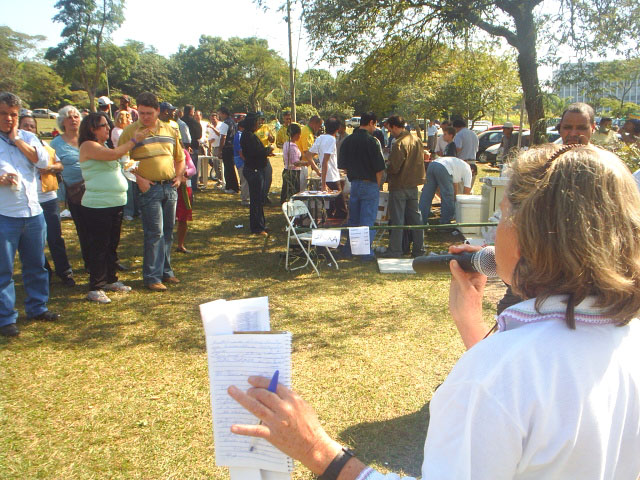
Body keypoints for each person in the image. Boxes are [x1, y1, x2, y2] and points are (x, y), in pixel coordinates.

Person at [229, 143, 640, 479]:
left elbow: (513, 388)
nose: (493, 232)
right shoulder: (627, 338)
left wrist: (318, 450)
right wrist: (471, 323)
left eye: (502, 216)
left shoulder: (493, 377)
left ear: (530, 234)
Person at [0, 92, 59, 337]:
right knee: (4, 269)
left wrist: (17, 140)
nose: (9, 118)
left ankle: (37, 307)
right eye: (4, 114)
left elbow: (42, 162)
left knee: (36, 265)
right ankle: (5, 318)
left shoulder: (28, 137)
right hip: (5, 214)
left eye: (13, 114)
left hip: (33, 212)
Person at [118, 92, 185, 292]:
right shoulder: (130, 131)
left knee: (168, 231)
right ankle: (152, 277)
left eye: (149, 113)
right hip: (149, 188)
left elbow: (179, 157)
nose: (145, 117)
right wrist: (139, 180)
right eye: (141, 113)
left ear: (157, 111)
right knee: (154, 232)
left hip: (169, 187)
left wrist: (179, 176)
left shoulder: (170, 129)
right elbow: (123, 159)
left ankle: (166, 271)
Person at [78, 113, 146, 303]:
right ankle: (96, 286)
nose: (108, 128)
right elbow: (114, 155)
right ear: (92, 128)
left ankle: (110, 279)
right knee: (99, 246)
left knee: (111, 244)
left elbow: (117, 159)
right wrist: (134, 140)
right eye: (103, 125)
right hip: (98, 204)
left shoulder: (105, 145)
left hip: (115, 202)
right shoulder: (88, 146)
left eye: (108, 125)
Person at [18, 115, 75, 288]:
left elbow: (60, 165)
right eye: (25, 126)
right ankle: (45, 272)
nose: (29, 129)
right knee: (34, 241)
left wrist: (49, 167)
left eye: (32, 126)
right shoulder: (14, 148)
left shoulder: (44, 145)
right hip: (28, 201)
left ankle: (65, 272)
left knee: (55, 237)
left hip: (48, 198)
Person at [338, 112, 386, 260]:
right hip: (370, 184)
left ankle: (349, 250)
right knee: (367, 220)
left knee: (353, 219)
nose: (375, 128)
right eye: (375, 124)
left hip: (354, 184)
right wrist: (377, 186)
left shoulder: (348, 140)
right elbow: (379, 169)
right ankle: (365, 254)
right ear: (371, 122)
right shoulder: (373, 141)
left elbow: (343, 166)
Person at [51, 105, 92, 273]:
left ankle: (109, 260)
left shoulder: (87, 138)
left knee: (101, 226)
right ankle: (90, 263)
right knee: (84, 228)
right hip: (75, 192)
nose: (73, 120)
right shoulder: (56, 143)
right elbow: (53, 167)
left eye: (76, 116)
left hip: (95, 187)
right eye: (69, 117)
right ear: (62, 122)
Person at [384, 115, 425, 258]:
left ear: (395, 126)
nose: (390, 132)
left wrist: (386, 166)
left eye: (390, 129)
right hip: (413, 185)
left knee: (398, 221)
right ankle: (419, 250)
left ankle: (395, 250)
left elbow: (394, 167)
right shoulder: (417, 140)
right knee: (416, 220)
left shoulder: (399, 143)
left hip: (399, 185)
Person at [240, 113, 273, 236]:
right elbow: (255, 152)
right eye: (256, 122)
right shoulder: (248, 136)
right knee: (255, 200)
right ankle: (257, 228)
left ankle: (261, 224)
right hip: (253, 170)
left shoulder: (250, 135)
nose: (258, 124)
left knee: (259, 200)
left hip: (256, 168)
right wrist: (267, 150)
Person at [419, 155, 472, 226]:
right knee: (447, 197)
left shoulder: (459, 166)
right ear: (473, 171)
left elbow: (454, 187)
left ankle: (421, 221)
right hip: (443, 167)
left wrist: (455, 200)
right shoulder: (469, 171)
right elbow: (466, 193)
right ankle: (445, 223)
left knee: (426, 195)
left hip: (432, 165)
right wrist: (463, 208)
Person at [175, 148, 196, 254]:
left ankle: (180, 245)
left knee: (183, 217)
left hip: (183, 187)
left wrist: (184, 174)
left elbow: (193, 169)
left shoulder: (183, 152)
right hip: (168, 185)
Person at [280, 123, 302, 204]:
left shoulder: (286, 144)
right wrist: (307, 163)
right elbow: (296, 162)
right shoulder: (292, 146)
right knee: (293, 192)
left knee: (285, 190)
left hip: (286, 169)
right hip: (293, 172)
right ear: (296, 135)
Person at [255, 112, 275, 204]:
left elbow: (272, 139)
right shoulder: (253, 129)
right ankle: (259, 197)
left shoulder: (266, 127)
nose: (262, 121)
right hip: (256, 156)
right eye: (260, 119)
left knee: (268, 176)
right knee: (260, 178)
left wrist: (271, 138)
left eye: (263, 119)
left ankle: (265, 195)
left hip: (266, 156)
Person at [182, 105, 202, 193]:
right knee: (192, 167)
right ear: (191, 112)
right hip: (193, 147)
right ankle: (193, 185)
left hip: (181, 147)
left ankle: (183, 184)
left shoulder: (179, 121)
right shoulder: (195, 123)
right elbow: (199, 135)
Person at [452, 119, 479, 183]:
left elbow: (458, 148)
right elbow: (476, 149)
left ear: (455, 127)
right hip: (473, 163)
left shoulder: (459, 135)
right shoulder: (474, 134)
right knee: (469, 186)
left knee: (461, 186)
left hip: (463, 162)